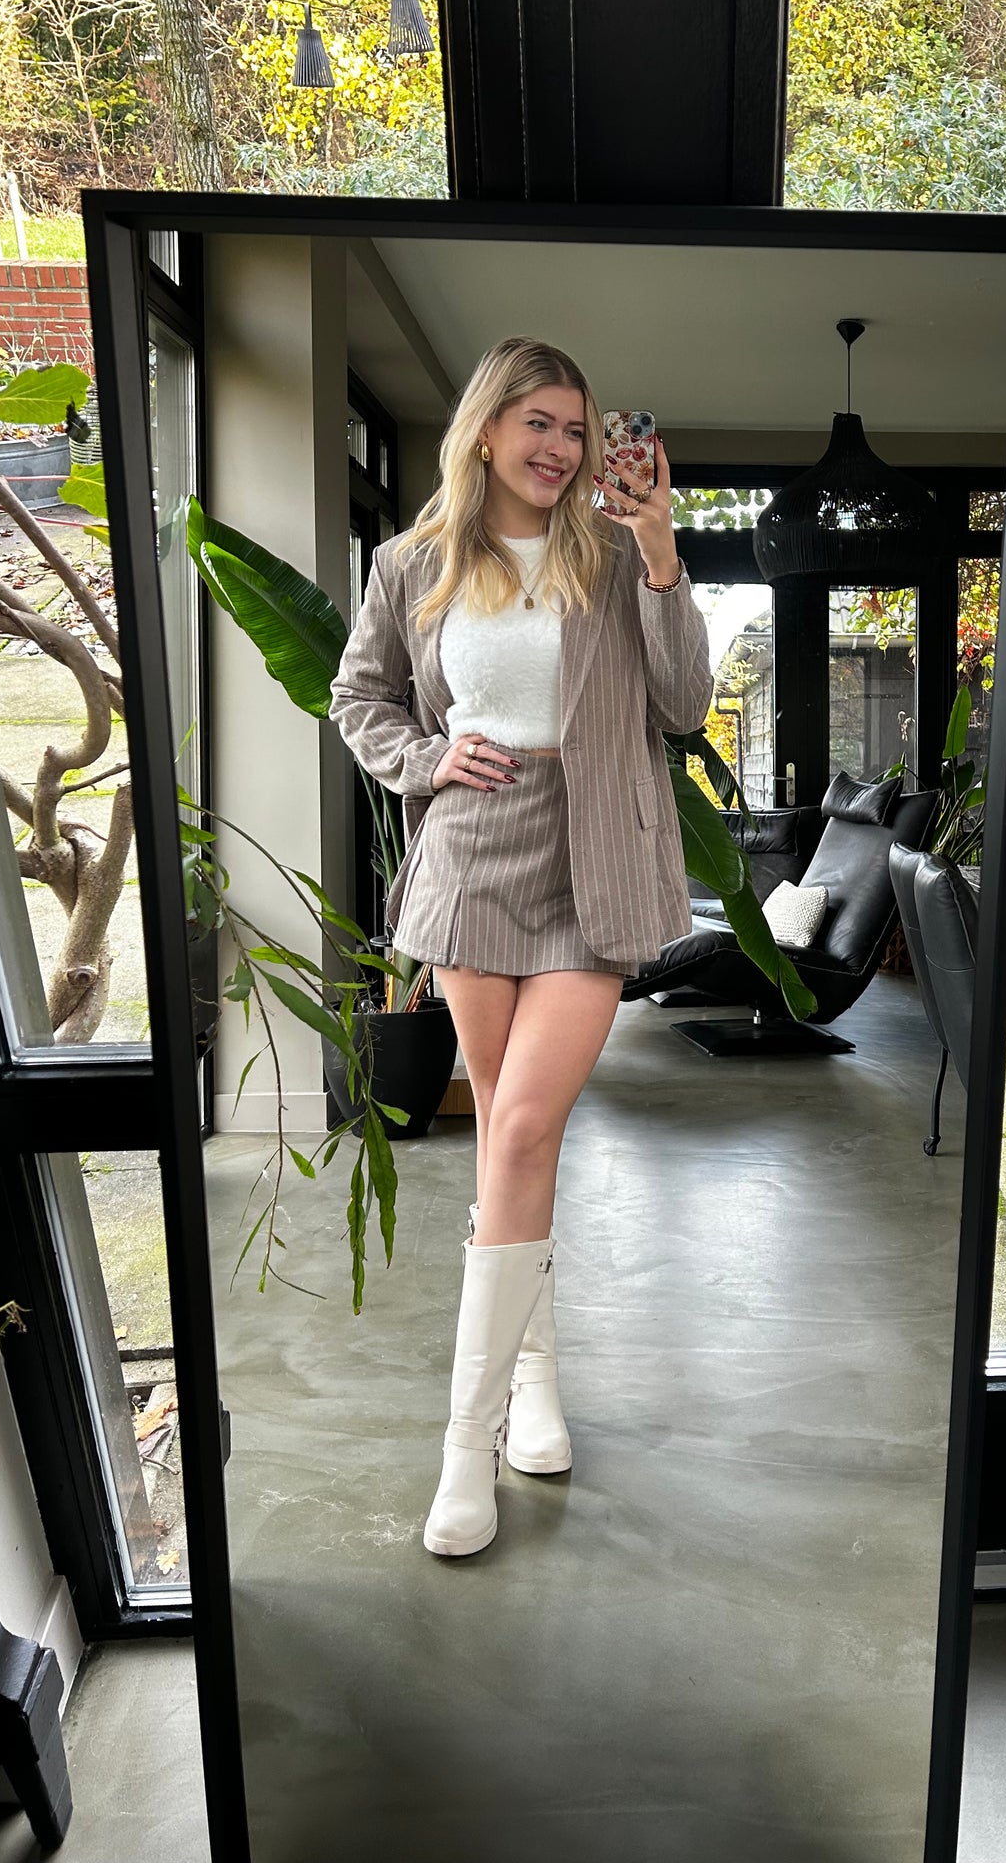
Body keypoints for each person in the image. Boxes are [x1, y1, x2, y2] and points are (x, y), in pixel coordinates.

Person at [329, 337, 713, 1557]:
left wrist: (661, 548)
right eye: (537, 421)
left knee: (525, 1123)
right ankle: (535, 1379)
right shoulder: (413, 562)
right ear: (487, 428)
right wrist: (424, 755)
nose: (559, 446)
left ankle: (465, 1445)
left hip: (595, 855)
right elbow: (359, 698)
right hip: (474, 850)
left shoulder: (614, 554)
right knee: (507, 1131)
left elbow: (684, 704)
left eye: (575, 427)